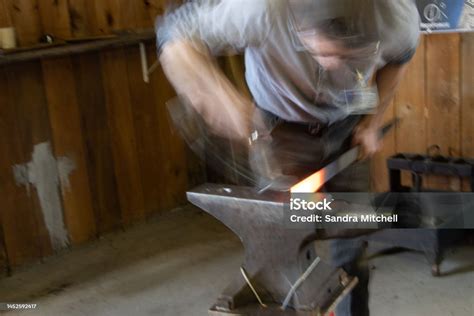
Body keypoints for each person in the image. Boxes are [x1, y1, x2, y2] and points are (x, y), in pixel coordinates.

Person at [156, 0, 420, 315]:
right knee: (282, 250)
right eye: (321, 51)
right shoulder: (262, 8)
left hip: (348, 130)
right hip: (280, 135)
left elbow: (400, 58)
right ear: (297, 18)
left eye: (347, 55)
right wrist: (224, 99)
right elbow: (174, 36)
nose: (333, 66)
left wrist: (373, 120)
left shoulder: (395, 14)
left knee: (350, 249)